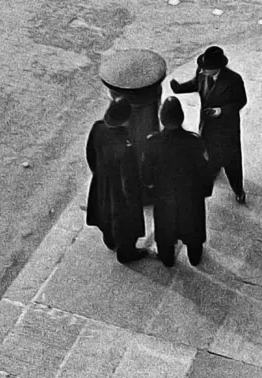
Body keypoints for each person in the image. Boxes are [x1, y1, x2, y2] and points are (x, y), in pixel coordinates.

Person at [170, 45, 248, 204]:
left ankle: (238, 190)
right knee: (209, 155)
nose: (202, 71)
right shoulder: (203, 74)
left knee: (232, 162)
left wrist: (220, 111)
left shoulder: (233, 80)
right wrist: (178, 88)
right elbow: (195, 84)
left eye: (206, 68)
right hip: (207, 126)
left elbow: (240, 101)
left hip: (227, 130)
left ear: (217, 68)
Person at [142, 96, 213, 267]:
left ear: (162, 119)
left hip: (164, 197)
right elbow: (205, 171)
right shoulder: (194, 141)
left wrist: (151, 190)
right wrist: (205, 191)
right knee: (193, 228)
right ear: (181, 118)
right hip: (190, 196)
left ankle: (167, 258)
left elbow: (146, 173)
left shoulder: (152, 143)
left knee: (165, 230)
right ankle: (194, 257)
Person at [86, 98, 147, 264]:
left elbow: (90, 153)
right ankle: (126, 252)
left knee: (104, 214)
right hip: (119, 192)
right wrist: (134, 200)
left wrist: (98, 173)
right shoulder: (125, 145)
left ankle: (109, 239)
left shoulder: (98, 127)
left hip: (102, 181)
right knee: (124, 224)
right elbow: (128, 179)